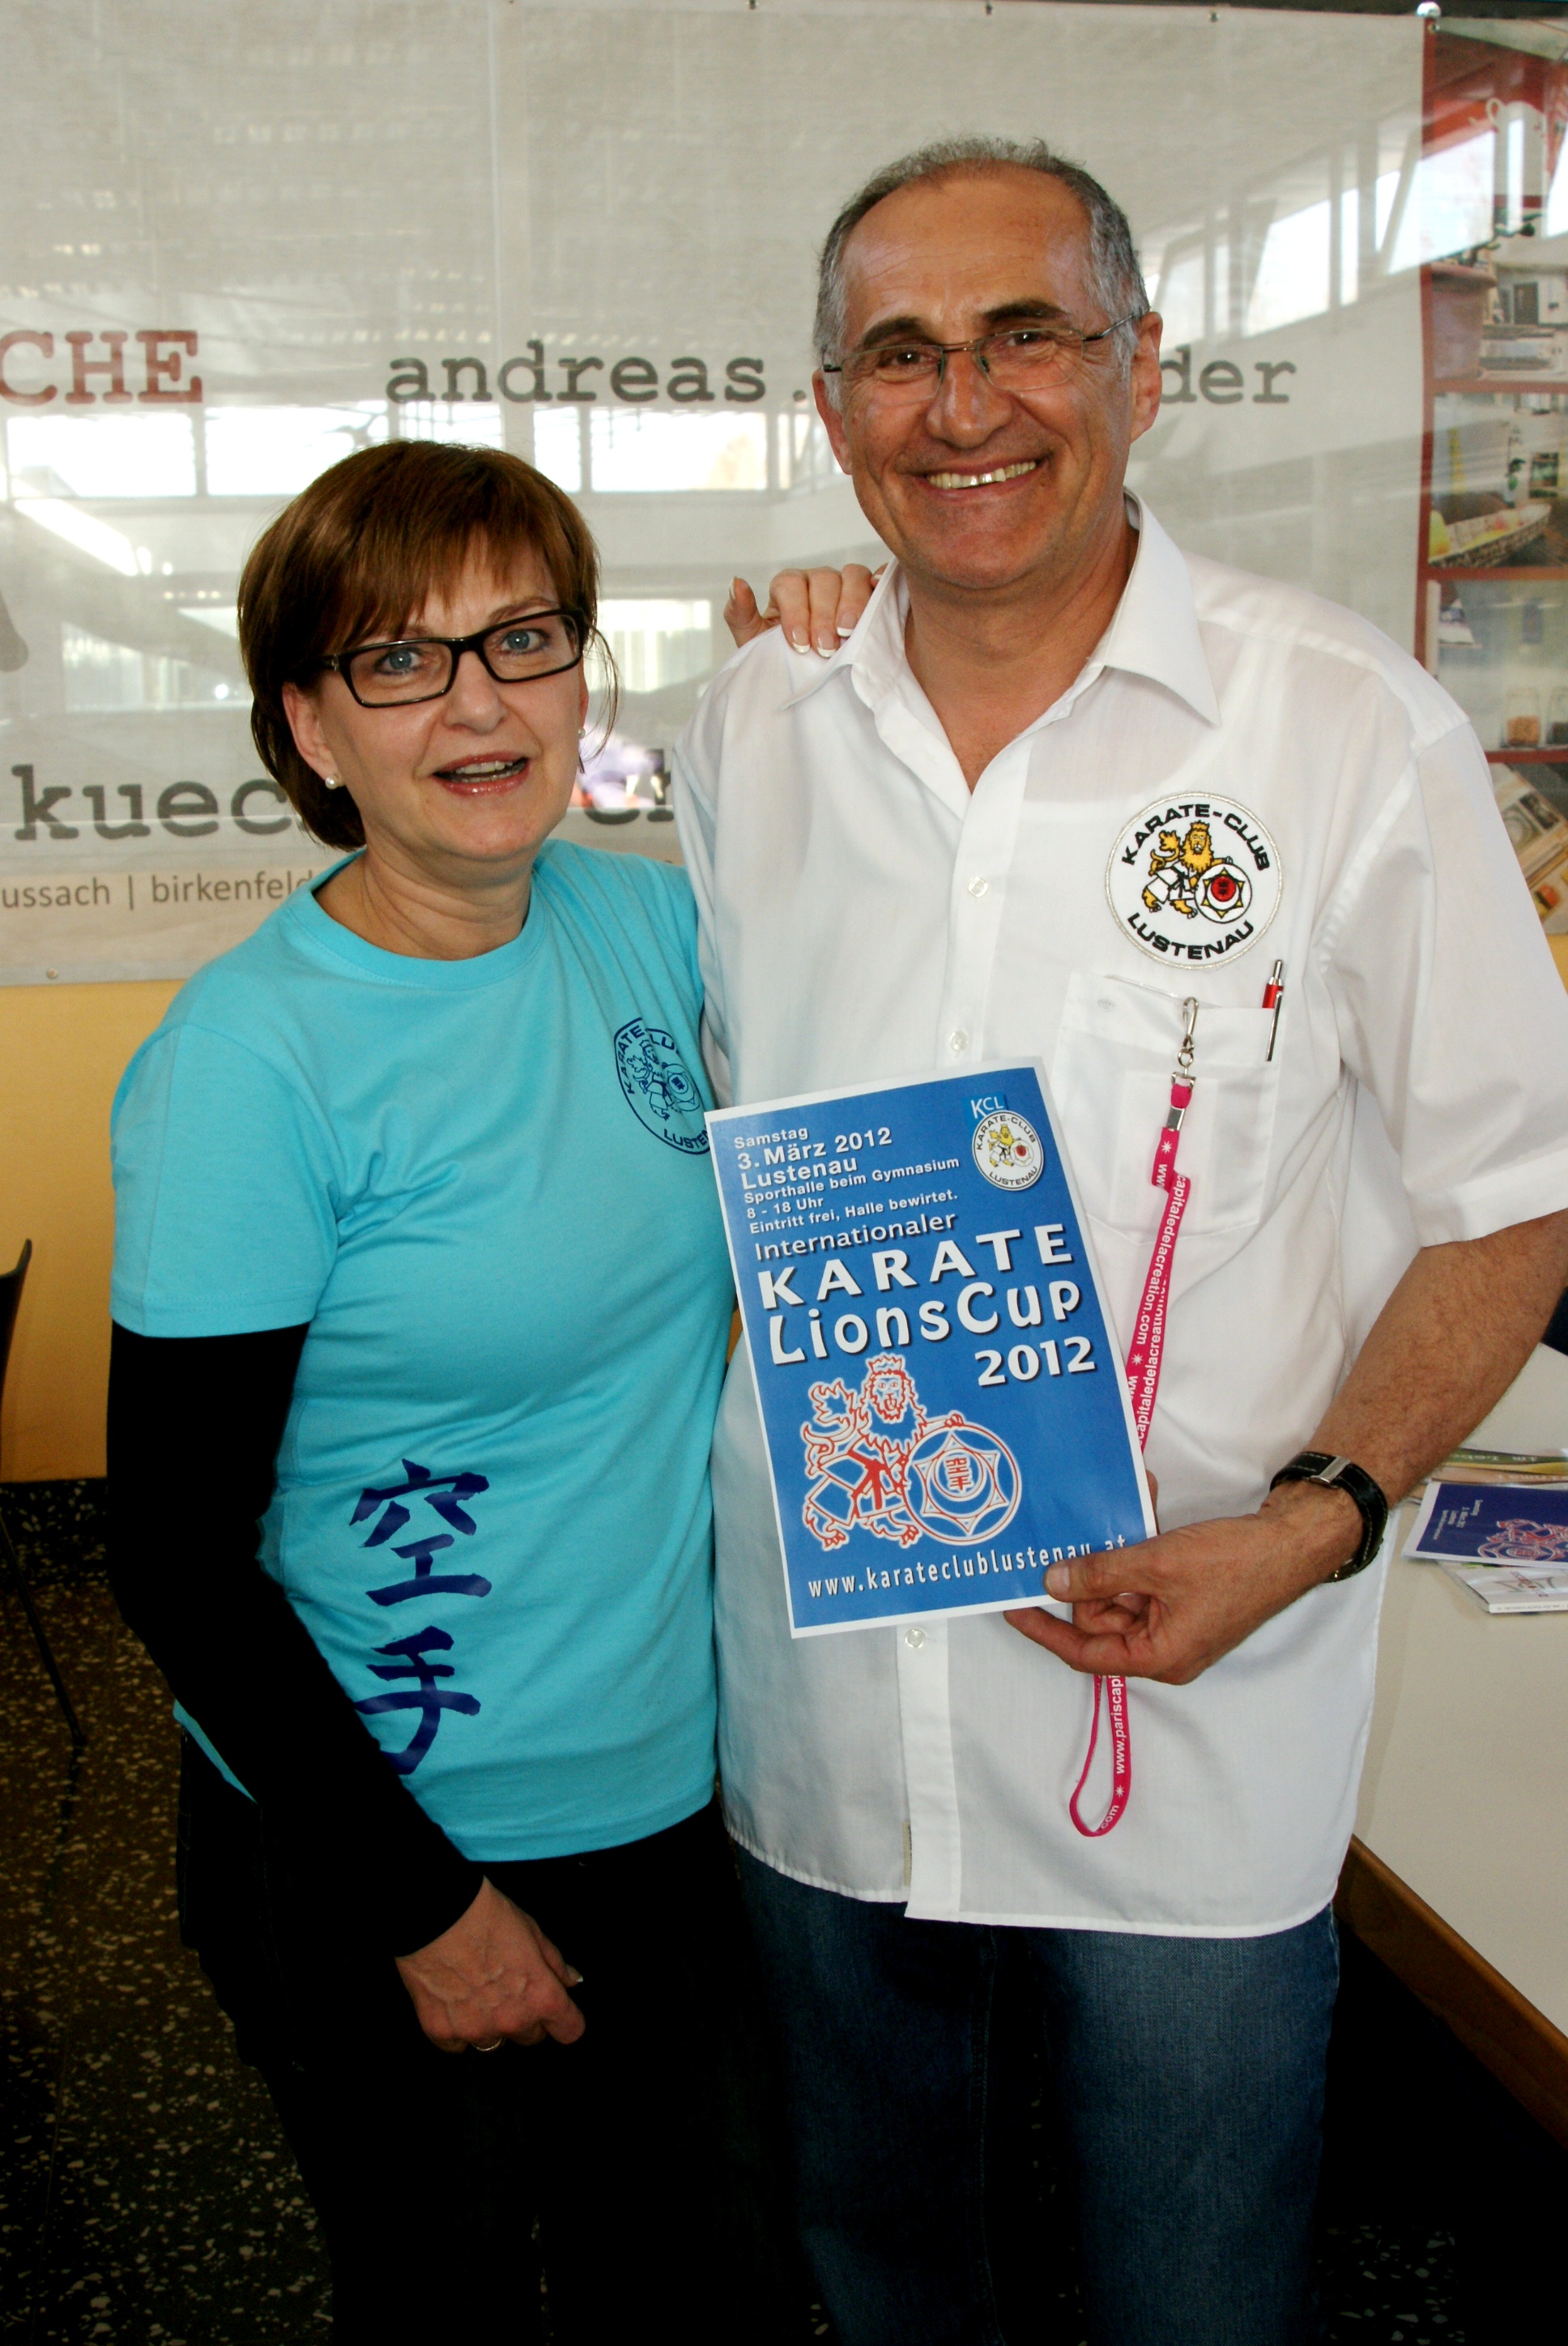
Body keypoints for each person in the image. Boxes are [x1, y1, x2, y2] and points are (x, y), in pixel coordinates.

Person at [680, 137, 1568, 2346]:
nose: (962, 403)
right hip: (833, 1694)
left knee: (1190, 2292)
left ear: (1142, 369)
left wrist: (1318, 1519)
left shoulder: (1339, 729)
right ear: (831, 412)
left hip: (1195, 1705)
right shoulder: (755, 724)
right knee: (873, 2263)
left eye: (1027, 335)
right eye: (900, 354)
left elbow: (1515, 1201)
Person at [106, 437, 800, 2344]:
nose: (480, 701)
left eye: (522, 638)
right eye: (401, 659)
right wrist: (423, 1904)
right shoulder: (252, 1063)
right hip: (387, 1830)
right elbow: (172, 1552)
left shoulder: (646, 928)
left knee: (712, 2292)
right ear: (310, 727)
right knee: (448, 2303)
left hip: (664, 1795)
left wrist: (842, 658)